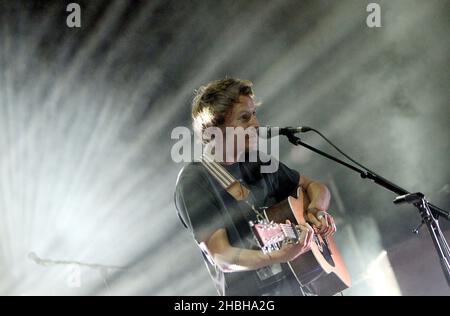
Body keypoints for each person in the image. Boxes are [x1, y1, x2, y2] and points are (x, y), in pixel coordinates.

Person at [174, 78, 336, 296]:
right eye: (244, 117)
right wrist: (276, 256)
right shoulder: (194, 181)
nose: (256, 124)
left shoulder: (258, 161)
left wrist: (316, 211)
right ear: (215, 128)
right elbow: (222, 256)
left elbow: (315, 187)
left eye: (254, 114)